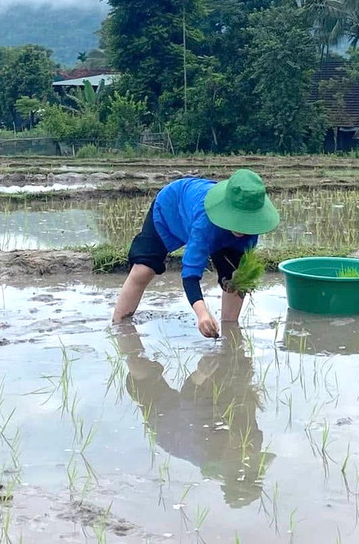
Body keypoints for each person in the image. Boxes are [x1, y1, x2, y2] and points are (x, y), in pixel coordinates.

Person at [114, 322, 274, 507]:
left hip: (165, 419)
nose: (248, 448)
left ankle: (121, 325)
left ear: (222, 459)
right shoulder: (252, 437)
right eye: (251, 452)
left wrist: (200, 373)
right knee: (227, 372)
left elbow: (189, 398)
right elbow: (243, 401)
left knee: (138, 367)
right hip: (192, 413)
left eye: (239, 451)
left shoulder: (202, 445)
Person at [111, 169, 279, 338]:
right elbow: (190, 274)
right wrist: (202, 314)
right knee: (144, 269)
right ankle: (118, 328)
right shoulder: (204, 223)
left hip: (211, 225)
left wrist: (241, 278)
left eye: (248, 221)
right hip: (171, 208)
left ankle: (230, 334)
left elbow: (239, 274)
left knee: (234, 280)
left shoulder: (251, 229)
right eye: (238, 218)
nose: (242, 227)